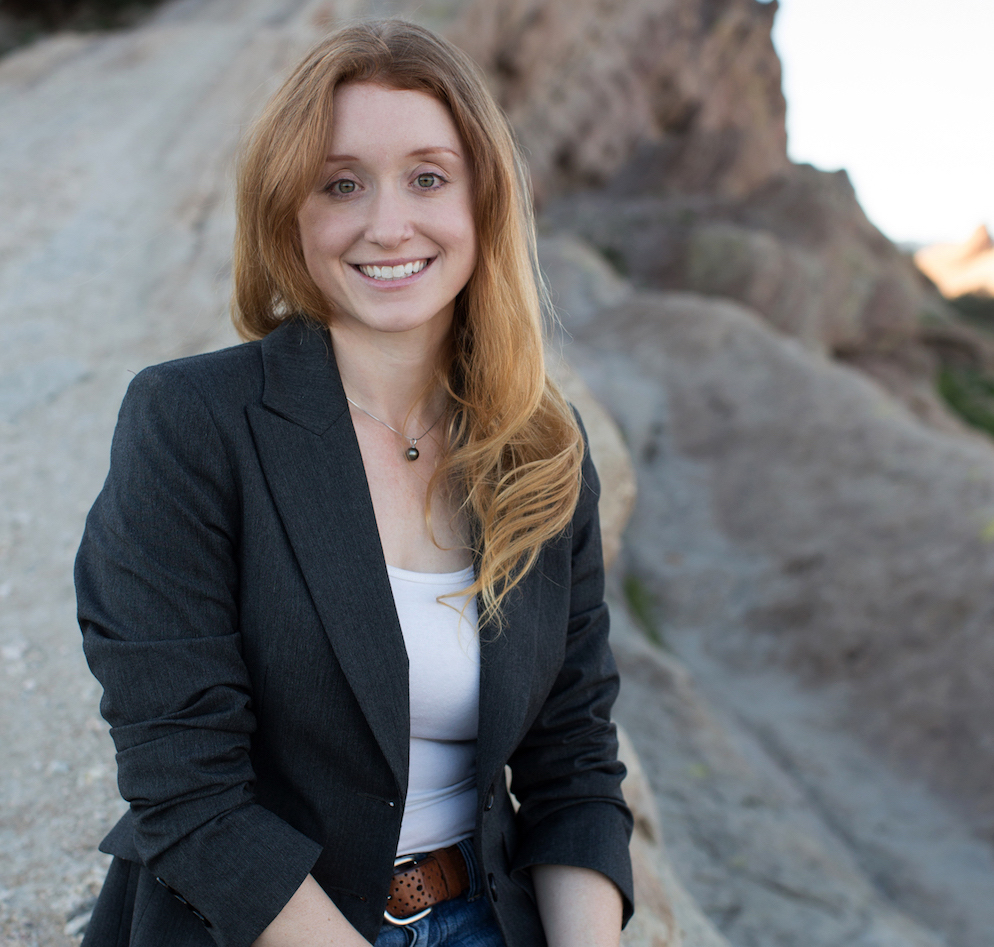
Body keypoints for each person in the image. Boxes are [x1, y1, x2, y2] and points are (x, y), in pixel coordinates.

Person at [76, 19, 633, 947]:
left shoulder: (539, 447)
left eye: (427, 177)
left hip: (489, 916)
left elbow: (573, 758)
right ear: (289, 212)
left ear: (483, 203)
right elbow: (190, 788)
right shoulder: (190, 422)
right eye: (342, 184)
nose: (388, 223)